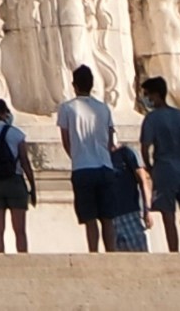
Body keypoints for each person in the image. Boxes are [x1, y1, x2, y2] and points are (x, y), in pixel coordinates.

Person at [53, 62, 126, 248]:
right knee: (107, 217)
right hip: (105, 165)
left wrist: (76, 156)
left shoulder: (67, 108)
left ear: (74, 85)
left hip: (82, 166)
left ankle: (93, 252)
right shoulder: (103, 108)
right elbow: (110, 139)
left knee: (90, 217)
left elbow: (65, 139)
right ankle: (111, 252)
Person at [135, 72, 180, 252]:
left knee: (169, 217)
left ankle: (174, 252)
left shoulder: (151, 119)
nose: (146, 99)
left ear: (155, 94)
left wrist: (150, 168)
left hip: (164, 173)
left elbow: (145, 147)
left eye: (147, 95)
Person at [0, 98, 37, 253]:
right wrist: (32, 186)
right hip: (14, 182)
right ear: (1, 113)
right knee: (19, 230)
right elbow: (24, 161)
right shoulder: (16, 134)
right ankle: (22, 258)